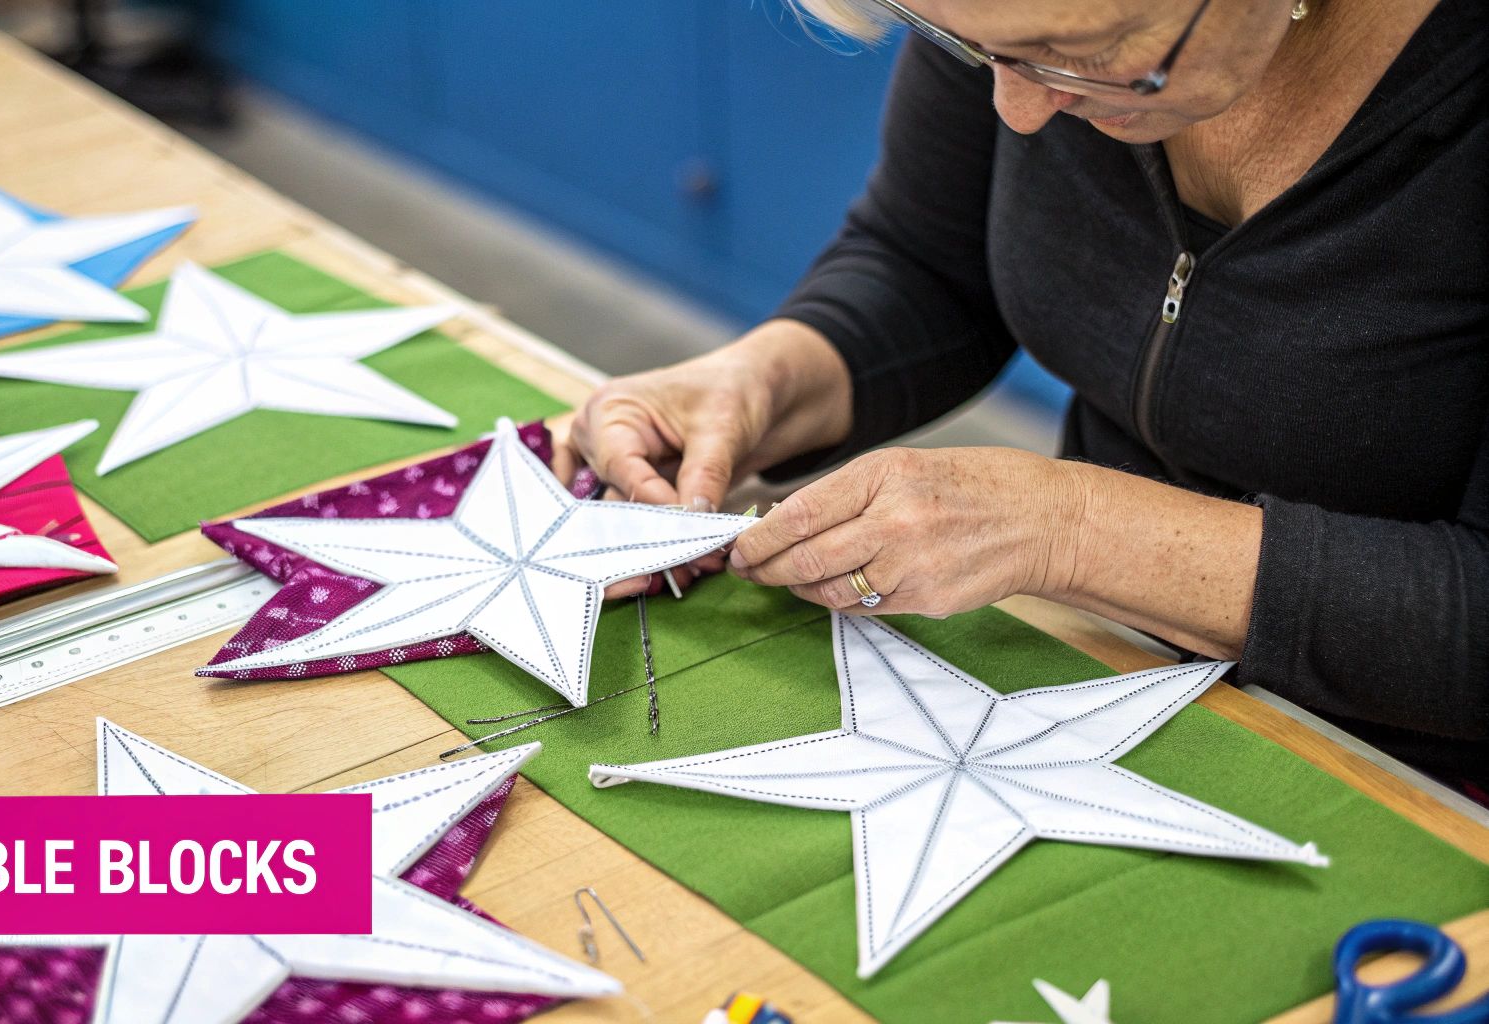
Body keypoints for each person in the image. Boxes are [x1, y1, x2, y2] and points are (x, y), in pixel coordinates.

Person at [568, 0, 1486, 792]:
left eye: (1079, 55)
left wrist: (1072, 530)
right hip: (1093, 671)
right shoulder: (1014, 23)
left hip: (1422, 777)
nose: (1019, 108)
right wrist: (762, 382)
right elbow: (930, 260)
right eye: (976, 51)